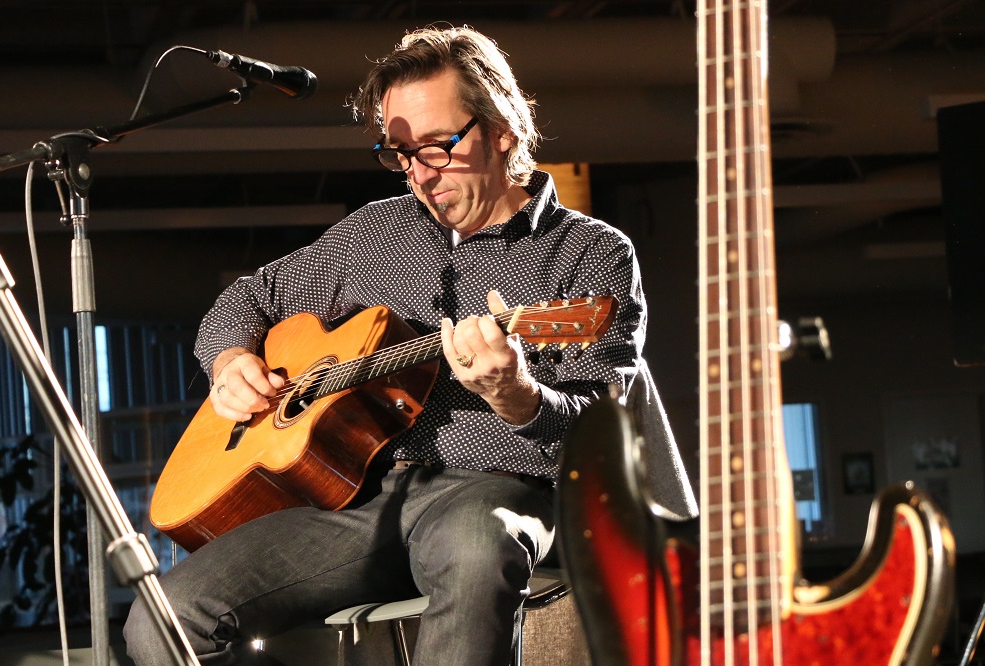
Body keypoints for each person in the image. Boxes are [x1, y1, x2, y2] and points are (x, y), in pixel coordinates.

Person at [124, 24, 691, 665]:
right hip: (354, 500)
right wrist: (230, 362)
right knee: (162, 620)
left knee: (478, 549)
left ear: (502, 129)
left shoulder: (589, 252)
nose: (419, 172)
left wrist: (519, 395)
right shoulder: (374, 234)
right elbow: (247, 300)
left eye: (437, 146)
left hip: (493, 489)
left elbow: (604, 431)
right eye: (399, 152)